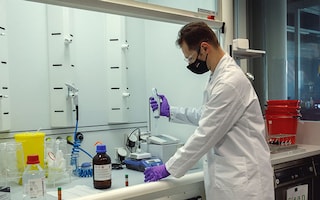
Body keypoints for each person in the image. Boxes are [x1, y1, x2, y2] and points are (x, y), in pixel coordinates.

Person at [144, 21, 274, 200]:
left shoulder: (229, 82)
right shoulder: (218, 76)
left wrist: (169, 167)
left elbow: (206, 133)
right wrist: (170, 111)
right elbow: (207, 116)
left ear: (204, 48)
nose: (190, 64)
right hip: (231, 180)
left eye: (190, 58)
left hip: (244, 184)